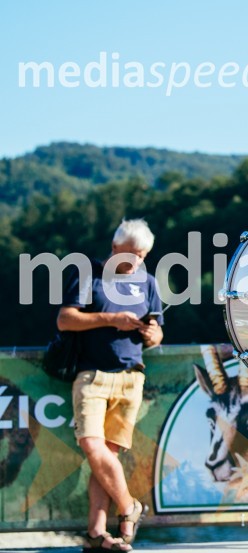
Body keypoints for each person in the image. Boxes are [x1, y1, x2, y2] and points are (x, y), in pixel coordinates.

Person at [58, 219, 163, 552]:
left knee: (106, 460)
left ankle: (96, 533)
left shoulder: (148, 282)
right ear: (115, 247)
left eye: (142, 256)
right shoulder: (89, 275)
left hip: (131, 377)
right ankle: (129, 507)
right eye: (131, 254)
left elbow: (158, 331)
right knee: (92, 445)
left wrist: (152, 334)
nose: (136, 262)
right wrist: (112, 319)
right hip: (91, 375)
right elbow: (65, 319)